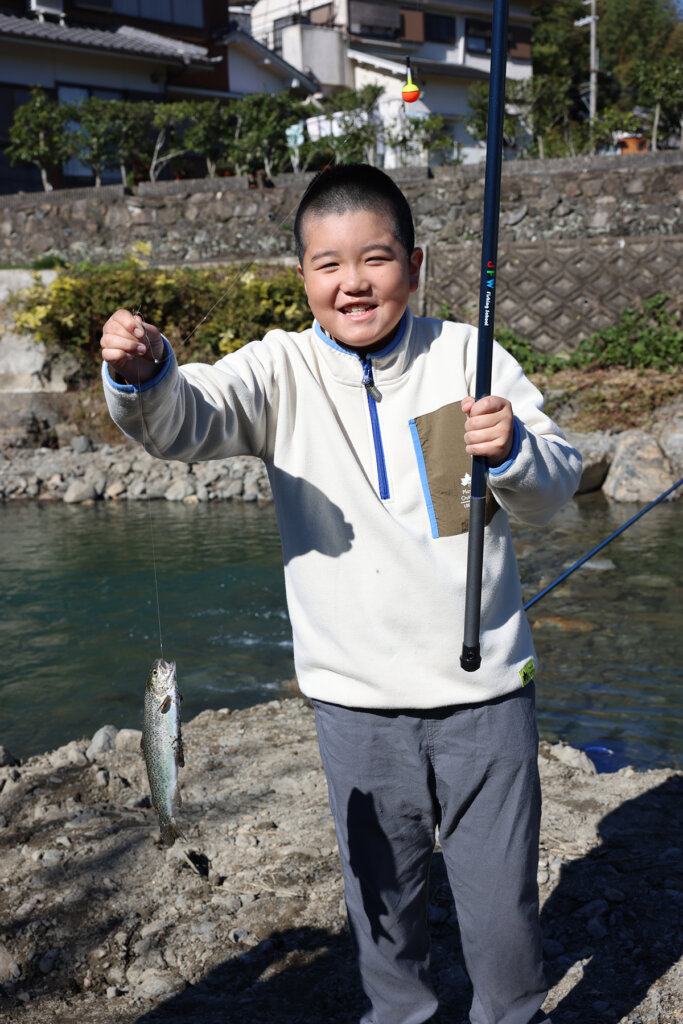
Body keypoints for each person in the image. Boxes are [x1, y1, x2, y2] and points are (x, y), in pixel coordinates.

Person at [100, 164, 581, 1024]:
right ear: (302, 278)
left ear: (417, 264)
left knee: (500, 909)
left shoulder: (467, 358)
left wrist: (511, 450)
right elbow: (186, 419)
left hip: (485, 696)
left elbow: (555, 487)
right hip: (353, 709)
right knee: (383, 914)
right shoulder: (278, 369)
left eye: (376, 259)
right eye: (328, 265)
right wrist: (146, 373)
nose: (352, 283)